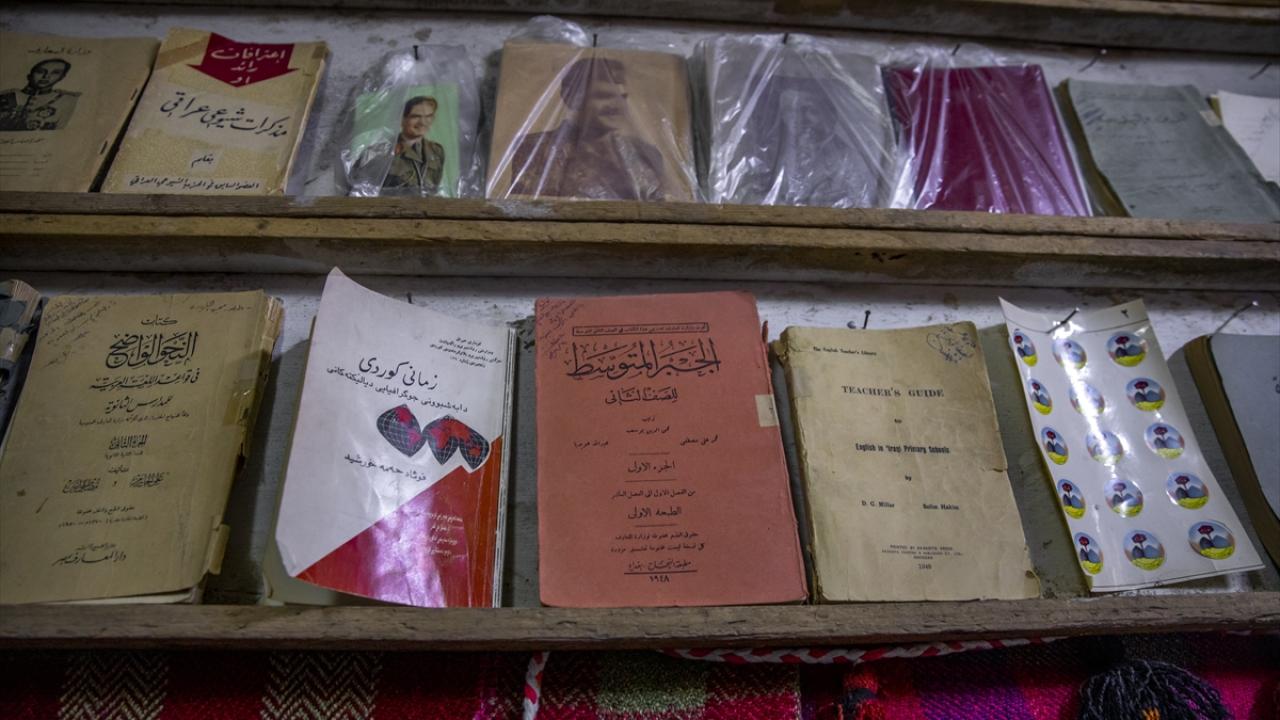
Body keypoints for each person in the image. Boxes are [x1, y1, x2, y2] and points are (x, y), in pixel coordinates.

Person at [509, 56, 670, 200]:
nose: (617, 105)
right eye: (604, 96)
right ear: (572, 98)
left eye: (622, 97)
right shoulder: (534, 149)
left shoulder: (645, 153)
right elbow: (531, 210)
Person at [382, 95, 445, 194]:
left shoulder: (436, 151)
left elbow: (434, 188)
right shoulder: (383, 151)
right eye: (415, 116)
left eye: (428, 116)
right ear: (402, 119)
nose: (423, 122)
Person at [0, 58, 80, 132]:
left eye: (55, 72)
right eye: (40, 71)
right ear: (30, 74)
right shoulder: (6, 96)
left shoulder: (67, 100)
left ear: (61, 77)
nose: (46, 76)